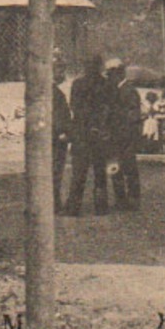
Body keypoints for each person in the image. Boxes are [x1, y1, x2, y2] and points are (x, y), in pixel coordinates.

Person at [63, 54, 111, 216]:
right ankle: (101, 206)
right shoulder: (106, 84)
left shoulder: (78, 84)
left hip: (82, 134)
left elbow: (74, 107)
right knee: (99, 172)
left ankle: (73, 207)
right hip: (99, 134)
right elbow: (109, 108)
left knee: (79, 172)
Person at [105, 58, 143, 212]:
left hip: (126, 137)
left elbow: (133, 115)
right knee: (115, 168)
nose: (109, 78)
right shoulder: (113, 90)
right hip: (114, 137)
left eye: (111, 74)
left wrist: (124, 130)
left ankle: (133, 199)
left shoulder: (129, 90)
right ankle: (120, 199)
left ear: (118, 73)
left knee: (130, 168)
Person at [51, 50, 72, 211]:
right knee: (55, 170)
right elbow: (57, 115)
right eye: (60, 69)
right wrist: (62, 132)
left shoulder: (53, 91)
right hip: (57, 138)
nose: (62, 73)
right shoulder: (54, 93)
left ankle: (52, 202)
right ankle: (54, 203)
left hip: (53, 136)